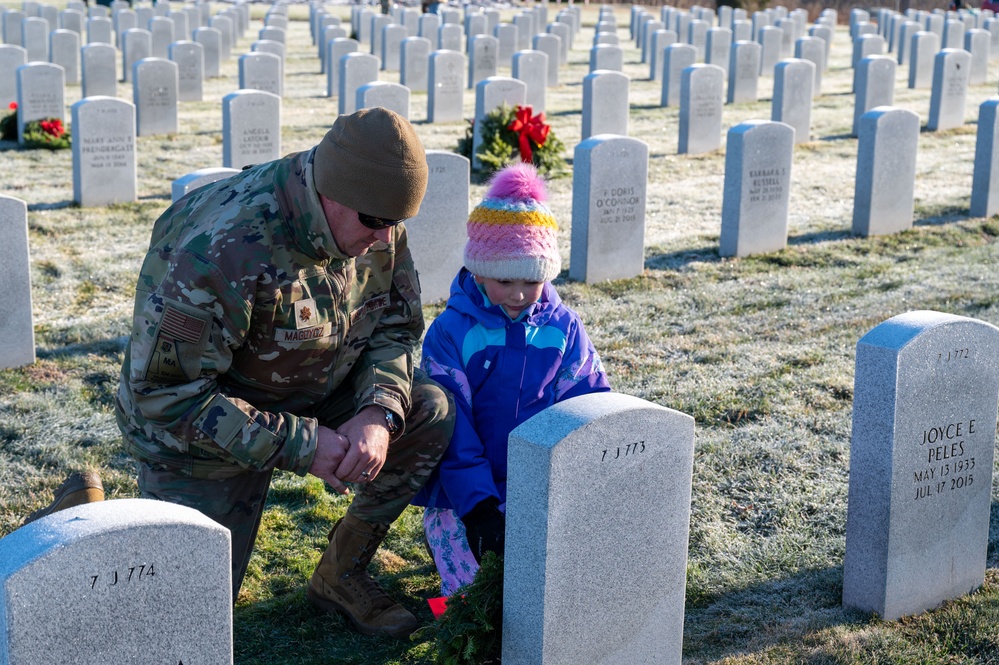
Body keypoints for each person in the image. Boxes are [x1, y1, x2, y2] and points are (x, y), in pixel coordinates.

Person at [113, 107, 455, 639]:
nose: (383, 237)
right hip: (205, 431)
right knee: (179, 627)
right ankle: (75, 525)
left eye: (396, 223)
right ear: (333, 191)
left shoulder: (376, 218)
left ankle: (341, 575)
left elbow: (395, 326)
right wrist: (302, 446)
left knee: (427, 409)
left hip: (315, 386)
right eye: (375, 222)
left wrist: (376, 411)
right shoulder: (221, 249)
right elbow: (168, 396)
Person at [411, 163, 611, 596]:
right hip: (464, 492)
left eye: (532, 280)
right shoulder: (452, 333)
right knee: (476, 594)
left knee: (544, 587)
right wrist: (478, 505)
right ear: (478, 270)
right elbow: (451, 426)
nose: (519, 294)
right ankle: (451, 605)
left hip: (538, 485)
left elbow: (587, 400)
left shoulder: (564, 328)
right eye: (504, 280)